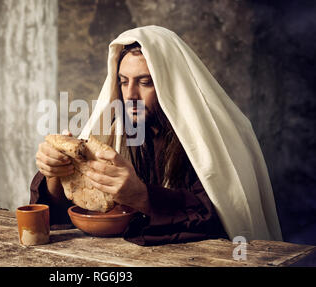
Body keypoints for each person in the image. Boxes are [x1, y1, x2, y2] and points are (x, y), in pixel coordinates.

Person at [31, 25, 282, 246]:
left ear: (170, 85)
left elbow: (226, 220)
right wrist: (56, 174)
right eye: (122, 81)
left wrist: (141, 196)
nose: (130, 95)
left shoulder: (216, 137)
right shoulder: (117, 134)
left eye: (145, 82)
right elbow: (69, 218)